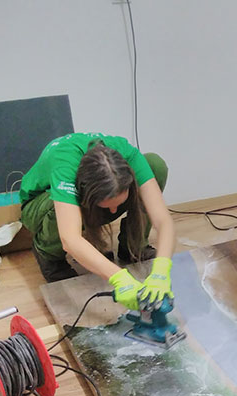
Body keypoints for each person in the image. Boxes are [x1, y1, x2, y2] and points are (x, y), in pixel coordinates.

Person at [20, 132, 175, 310]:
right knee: (56, 207)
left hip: (89, 202)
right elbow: (70, 238)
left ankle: (133, 245)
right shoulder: (65, 164)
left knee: (154, 165)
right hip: (39, 207)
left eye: (118, 205)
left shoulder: (127, 154)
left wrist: (161, 270)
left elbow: (163, 221)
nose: (114, 212)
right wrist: (120, 278)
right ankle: (51, 258)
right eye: (109, 206)